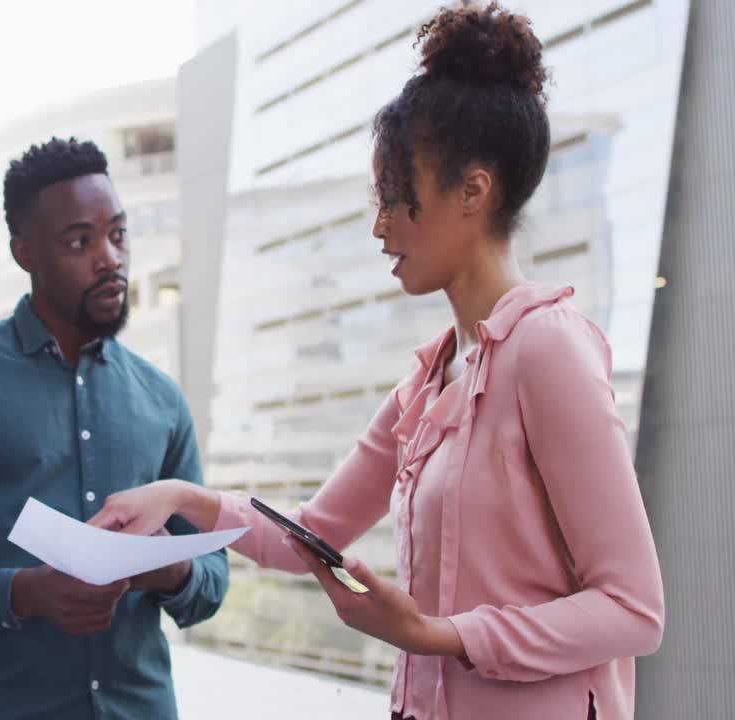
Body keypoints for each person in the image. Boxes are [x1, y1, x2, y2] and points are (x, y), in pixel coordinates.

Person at [89, 4, 665, 719]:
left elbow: (634, 609)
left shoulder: (548, 348)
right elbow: (313, 534)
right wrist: (181, 498)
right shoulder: (425, 384)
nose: (380, 224)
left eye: (398, 197)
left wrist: (438, 635)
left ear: (473, 191)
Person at [0, 137, 229, 719]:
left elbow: (212, 583)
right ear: (24, 252)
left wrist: (173, 569)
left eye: (118, 233)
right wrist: (24, 594)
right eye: (79, 241)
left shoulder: (162, 400)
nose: (110, 257)